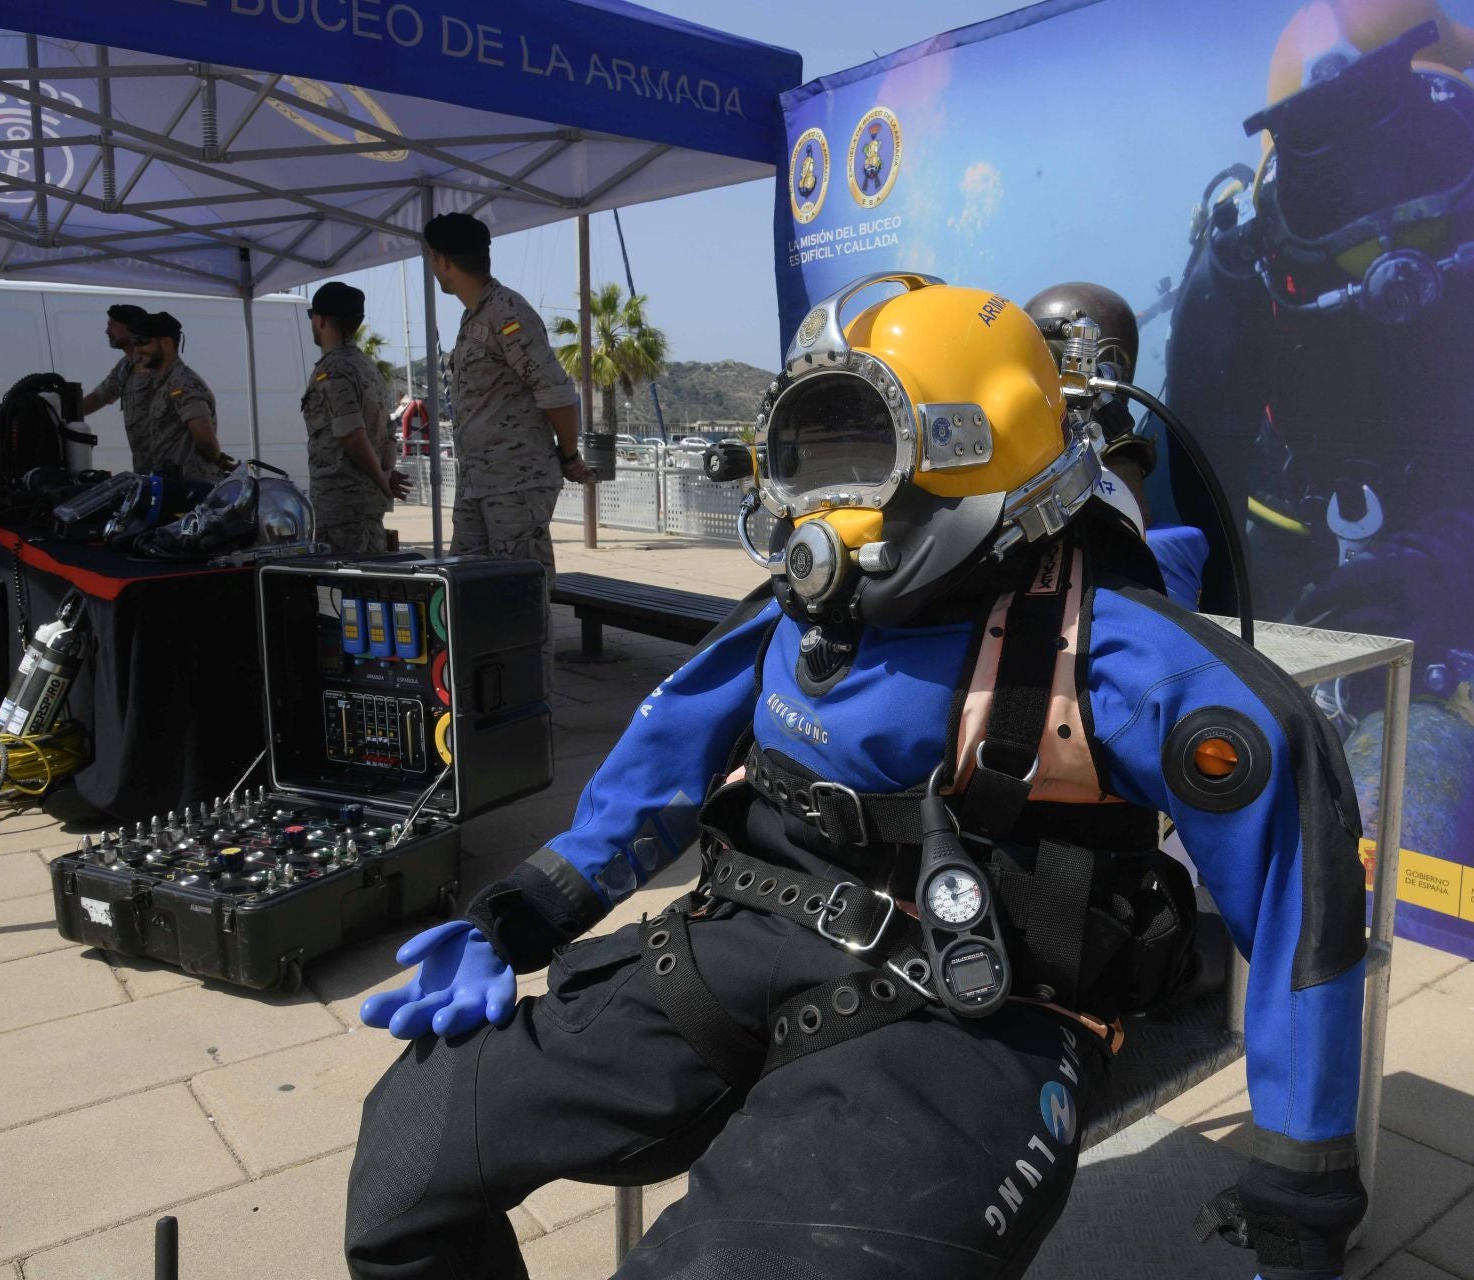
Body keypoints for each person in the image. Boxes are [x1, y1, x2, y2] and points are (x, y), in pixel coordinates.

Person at [344, 275, 1370, 1280]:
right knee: (411, 1150)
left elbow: (1297, 889)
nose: (827, 503)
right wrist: (519, 911)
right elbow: (659, 762)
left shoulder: (1124, 656)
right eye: (809, 454)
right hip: (740, 936)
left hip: (979, 1006)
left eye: (863, 453)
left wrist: (1302, 1175)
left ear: (980, 445)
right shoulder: (791, 615)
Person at [1154, 0, 1474, 869]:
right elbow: (1189, 497)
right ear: (1282, 185)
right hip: (1297, 561)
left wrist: (1462, 561)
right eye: (1337, 187)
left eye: (1420, 158)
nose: (1385, 228)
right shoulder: (1240, 282)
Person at [424, 211, 592, 578]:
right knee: (465, 590)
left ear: (442, 260)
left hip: (515, 484)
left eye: (431, 258)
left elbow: (557, 392)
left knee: (519, 595)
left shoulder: (506, 312)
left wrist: (568, 455)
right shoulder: (475, 317)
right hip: (478, 482)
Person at [302, 282, 409, 554]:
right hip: (364, 506)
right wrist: (384, 475)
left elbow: (352, 434)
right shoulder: (367, 368)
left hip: (342, 507)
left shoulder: (334, 370)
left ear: (321, 319)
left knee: (342, 591)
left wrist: (382, 480)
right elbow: (387, 434)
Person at [126, 311, 226, 484]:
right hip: (167, 485)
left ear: (166, 343)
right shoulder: (160, 383)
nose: (137, 350)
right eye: (134, 343)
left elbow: (205, 439)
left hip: (189, 488)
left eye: (143, 342)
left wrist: (218, 459)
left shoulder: (184, 383)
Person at [79, 303, 157, 470]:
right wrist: (62, 413)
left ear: (130, 328)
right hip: (145, 463)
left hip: (169, 462)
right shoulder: (125, 366)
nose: (107, 332)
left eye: (112, 326)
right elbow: (100, 396)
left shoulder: (156, 364)